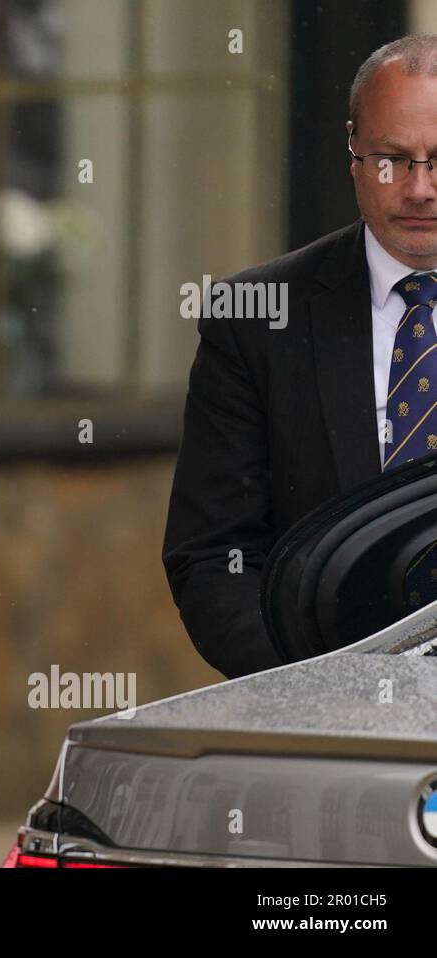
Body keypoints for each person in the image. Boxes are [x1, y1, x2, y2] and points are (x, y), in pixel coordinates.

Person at [165, 34, 437, 679]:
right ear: (352, 152)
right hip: (328, 705)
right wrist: (312, 691)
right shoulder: (255, 319)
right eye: (392, 160)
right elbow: (213, 555)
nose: (421, 188)